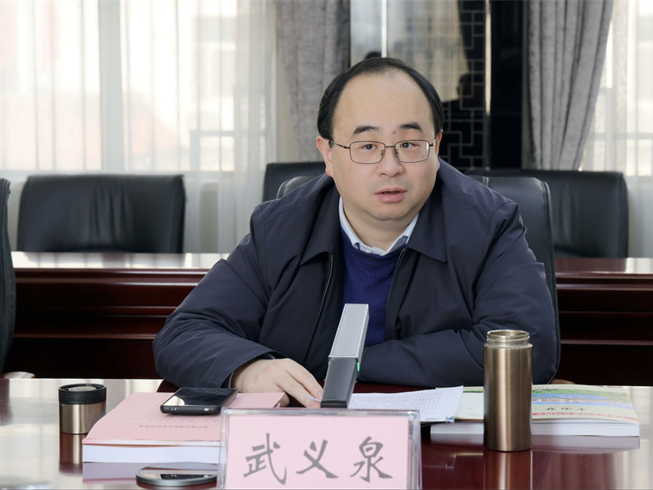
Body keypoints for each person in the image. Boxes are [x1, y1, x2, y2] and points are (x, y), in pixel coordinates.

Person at [153, 57, 556, 408]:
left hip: (440, 448)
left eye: (409, 144)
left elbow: (528, 348)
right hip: (310, 441)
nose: (390, 166)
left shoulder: (488, 224)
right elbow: (184, 333)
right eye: (366, 146)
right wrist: (247, 369)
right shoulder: (282, 227)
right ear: (328, 154)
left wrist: (351, 363)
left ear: (436, 147)